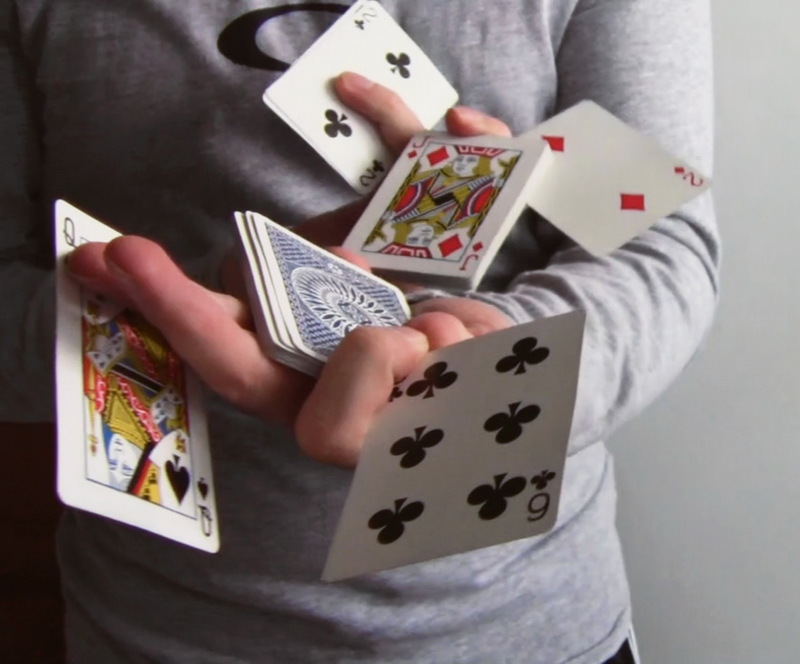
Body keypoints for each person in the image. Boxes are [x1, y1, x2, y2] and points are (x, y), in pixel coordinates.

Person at [1, 1, 717, 662]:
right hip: (156, 630)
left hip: (525, 624)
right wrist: (175, 311)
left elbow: (653, 245)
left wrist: (488, 357)